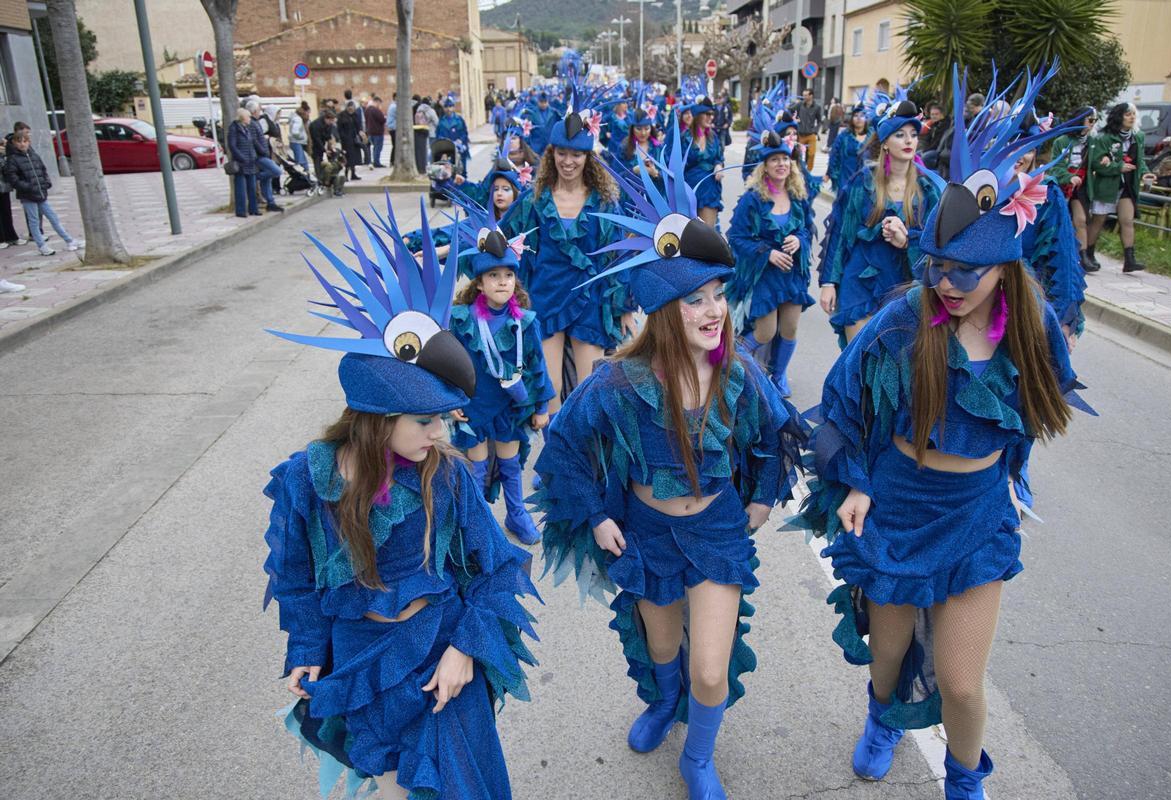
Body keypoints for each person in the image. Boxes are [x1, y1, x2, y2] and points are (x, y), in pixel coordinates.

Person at [788, 63, 1093, 800]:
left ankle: (963, 778)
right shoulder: (900, 319)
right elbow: (841, 402)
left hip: (974, 517)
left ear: (1003, 268)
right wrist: (854, 482)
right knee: (889, 658)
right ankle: (882, 717)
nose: (948, 284)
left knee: (961, 682)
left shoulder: (1033, 328)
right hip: (896, 506)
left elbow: (1028, 419)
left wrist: (1010, 483)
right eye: (937, 268)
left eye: (966, 271)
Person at [534, 128, 803, 800]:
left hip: (713, 530)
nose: (713, 310)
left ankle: (698, 758)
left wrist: (764, 496)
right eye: (695, 299)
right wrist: (595, 516)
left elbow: (779, 434)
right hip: (646, 533)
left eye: (717, 293)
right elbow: (562, 446)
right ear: (661, 310)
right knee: (662, 650)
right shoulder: (618, 383)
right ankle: (660, 702)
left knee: (711, 670)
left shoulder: (741, 374)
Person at [263, 200, 540, 800]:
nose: (441, 434)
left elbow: (499, 571)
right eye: (426, 421)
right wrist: (307, 648)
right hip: (362, 661)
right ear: (377, 419)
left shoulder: (449, 475)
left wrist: (464, 650)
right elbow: (296, 578)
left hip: (439, 648)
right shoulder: (304, 480)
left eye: (444, 418)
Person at [498, 98, 631, 415]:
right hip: (547, 298)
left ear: (588, 158)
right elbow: (500, 236)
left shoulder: (604, 201)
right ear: (551, 154)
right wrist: (441, 246)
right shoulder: (534, 199)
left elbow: (619, 257)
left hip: (590, 299)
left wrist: (625, 307)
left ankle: (582, 460)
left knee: (589, 389)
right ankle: (557, 460)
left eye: (576, 154)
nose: (568, 161)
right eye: (562, 153)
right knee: (550, 391)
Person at [444, 202, 554, 545]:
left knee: (510, 464)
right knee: (475, 468)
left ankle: (516, 515)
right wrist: (449, 400)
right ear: (479, 283)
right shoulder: (461, 320)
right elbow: (448, 363)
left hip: (509, 406)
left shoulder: (524, 321)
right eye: (493, 276)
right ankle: (479, 525)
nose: (502, 282)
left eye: (508, 275)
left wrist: (541, 407)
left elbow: (537, 365)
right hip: (474, 405)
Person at [818, 87, 940, 346]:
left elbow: (938, 243)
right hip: (858, 281)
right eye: (900, 135)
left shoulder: (927, 190)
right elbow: (840, 234)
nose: (908, 141)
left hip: (902, 286)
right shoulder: (862, 183)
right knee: (857, 364)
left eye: (913, 135)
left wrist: (908, 240)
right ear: (884, 142)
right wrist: (829, 281)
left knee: (892, 373)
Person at [727, 136, 817, 398]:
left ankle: (777, 377)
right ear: (764, 166)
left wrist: (798, 240)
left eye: (785, 159)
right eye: (775, 160)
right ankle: (732, 364)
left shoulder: (798, 196)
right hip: (764, 276)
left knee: (789, 328)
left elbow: (806, 229)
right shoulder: (752, 200)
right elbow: (736, 238)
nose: (781, 164)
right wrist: (767, 254)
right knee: (765, 332)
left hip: (792, 275)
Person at [1013, 114, 1087, 352]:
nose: (1018, 155)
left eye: (1026, 148)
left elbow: (1064, 259)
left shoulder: (1046, 193)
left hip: (1028, 303)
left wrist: (1063, 323)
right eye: (1010, 145)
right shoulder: (982, 191)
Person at [1085, 102, 1148, 273]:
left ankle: (1129, 259)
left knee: (1127, 220)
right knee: (1099, 220)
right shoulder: (1104, 137)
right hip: (1107, 185)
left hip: (1127, 184)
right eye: (1128, 114)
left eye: (1133, 114)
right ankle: (1087, 254)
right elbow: (1097, 164)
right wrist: (1117, 167)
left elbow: (1139, 160)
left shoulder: (1137, 136)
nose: (1132, 117)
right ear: (1119, 116)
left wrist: (1145, 173)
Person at [2, 130, 80, 257]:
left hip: (40, 193)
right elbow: (13, 178)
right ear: (14, 143)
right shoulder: (12, 159)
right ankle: (42, 246)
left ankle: (69, 240)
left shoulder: (33, 155)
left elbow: (43, 170)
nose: (22, 144)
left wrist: (46, 183)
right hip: (28, 195)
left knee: (53, 217)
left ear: (29, 142)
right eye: (19, 141)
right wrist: (28, 187)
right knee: (34, 221)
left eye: (25, 141)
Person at [1048, 107, 1100, 272]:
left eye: (1095, 121)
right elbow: (1055, 166)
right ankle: (1055, 255)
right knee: (1058, 222)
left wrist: (1107, 161)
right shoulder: (1062, 141)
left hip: (1082, 187)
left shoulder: (1093, 142)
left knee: (1081, 220)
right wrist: (1067, 177)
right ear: (1081, 120)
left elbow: (1098, 162)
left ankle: (1082, 256)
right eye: (1090, 120)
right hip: (1063, 187)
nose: (1092, 124)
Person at [682, 97, 725, 228]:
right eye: (707, 114)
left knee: (708, 234)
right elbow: (676, 165)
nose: (711, 117)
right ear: (698, 116)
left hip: (709, 189)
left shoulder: (713, 137)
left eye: (712, 114)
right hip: (688, 189)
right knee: (688, 235)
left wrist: (718, 165)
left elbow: (719, 157)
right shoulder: (684, 137)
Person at [827, 93, 870, 196]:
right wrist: (830, 172)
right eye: (855, 116)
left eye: (862, 115)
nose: (859, 118)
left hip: (865, 181)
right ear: (851, 118)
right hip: (846, 178)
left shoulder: (872, 136)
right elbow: (834, 154)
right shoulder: (844, 135)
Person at [226, 108, 264, 217]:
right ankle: (241, 210)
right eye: (248, 117)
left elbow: (253, 142)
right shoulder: (234, 129)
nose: (250, 119)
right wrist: (241, 157)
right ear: (242, 118)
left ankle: (253, 209)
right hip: (241, 162)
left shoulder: (246, 129)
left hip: (251, 161)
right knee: (241, 188)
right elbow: (232, 145)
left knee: (252, 187)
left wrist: (259, 152)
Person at [0, 135, 28, 252]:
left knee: (6, 211)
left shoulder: (4, 153)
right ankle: (1, 240)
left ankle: (11, 237)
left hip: (3, 186)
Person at [437, 98, 471, 175]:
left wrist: (460, 140)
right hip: (447, 149)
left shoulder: (459, 120)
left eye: (450, 107)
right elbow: (439, 135)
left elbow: (464, 133)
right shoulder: (441, 122)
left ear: (453, 108)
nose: (448, 109)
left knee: (462, 171)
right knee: (448, 172)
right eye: (446, 107)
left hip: (459, 148)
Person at [791, 88, 822, 172]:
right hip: (800, 134)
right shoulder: (800, 104)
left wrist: (815, 130)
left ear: (811, 96)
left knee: (811, 154)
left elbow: (819, 121)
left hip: (811, 134)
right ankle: (799, 170)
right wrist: (794, 120)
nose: (803, 96)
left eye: (805, 95)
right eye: (803, 95)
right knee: (798, 154)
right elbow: (790, 110)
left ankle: (808, 172)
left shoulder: (817, 107)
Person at [337, 100, 362, 181]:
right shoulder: (342, 115)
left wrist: (360, 133)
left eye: (352, 108)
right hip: (346, 140)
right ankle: (346, 174)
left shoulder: (355, 115)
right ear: (347, 108)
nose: (351, 110)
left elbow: (358, 126)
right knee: (347, 157)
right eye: (350, 108)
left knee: (354, 158)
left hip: (354, 139)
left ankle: (353, 174)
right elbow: (339, 128)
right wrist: (342, 138)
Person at [308, 108, 336, 172]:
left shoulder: (329, 124)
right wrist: (324, 150)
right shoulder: (316, 125)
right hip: (314, 144)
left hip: (322, 142)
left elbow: (328, 135)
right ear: (326, 119)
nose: (331, 123)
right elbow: (317, 139)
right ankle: (319, 176)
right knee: (317, 160)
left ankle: (330, 173)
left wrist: (330, 145)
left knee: (332, 154)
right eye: (331, 121)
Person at [365, 96, 387, 169]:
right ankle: (376, 162)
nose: (379, 105)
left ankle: (374, 161)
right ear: (377, 102)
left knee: (375, 147)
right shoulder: (376, 110)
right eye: (379, 103)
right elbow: (382, 120)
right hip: (377, 132)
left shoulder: (367, 110)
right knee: (378, 148)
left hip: (370, 131)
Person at [287, 102, 310, 171]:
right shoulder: (298, 119)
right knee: (301, 162)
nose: (309, 115)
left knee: (302, 160)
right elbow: (295, 132)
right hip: (297, 141)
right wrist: (302, 137)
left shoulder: (296, 117)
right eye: (308, 112)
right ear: (305, 112)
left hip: (295, 142)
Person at [386, 93, 398, 167]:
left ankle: (392, 161)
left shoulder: (392, 105)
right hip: (394, 128)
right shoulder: (394, 107)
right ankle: (392, 161)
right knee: (395, 145)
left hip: (392, 127)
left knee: (395, 145)